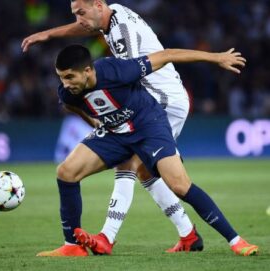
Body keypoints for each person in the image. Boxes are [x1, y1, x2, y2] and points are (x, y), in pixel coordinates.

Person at [37, 44, 258, 257]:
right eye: (61, 77)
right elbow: (70, 104)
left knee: (180, 185)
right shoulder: (68, 92)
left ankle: (236, 241)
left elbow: (167, 55)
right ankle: (72, 246)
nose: (64, 84)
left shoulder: (117, 70)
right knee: (66, 172)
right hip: (115, 133)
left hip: (148, 126)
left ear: (87, 71)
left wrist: (216, 58)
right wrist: (93, 122)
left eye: (69, 77)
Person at [23, 0, 204, 254]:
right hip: (158, 95)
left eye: (81, 13)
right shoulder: (113, 13)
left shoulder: (122, 34)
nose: (79, 20)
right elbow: (88, 27)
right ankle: (188, 234)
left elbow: (134, 74)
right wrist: (49, 33)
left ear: (98, 5)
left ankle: (106, 237)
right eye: (75, 15)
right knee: (144, 171)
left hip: (162, 97)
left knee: (128, 161)